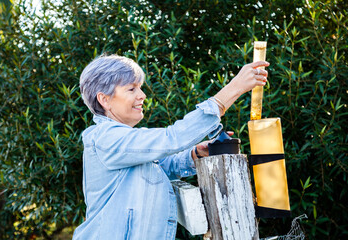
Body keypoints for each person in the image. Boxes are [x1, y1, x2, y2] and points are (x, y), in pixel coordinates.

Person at [73, 54, 269, 239]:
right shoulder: (105, 138)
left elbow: (158, 169)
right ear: (104, 99)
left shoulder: (124, 142)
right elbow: (172, 138)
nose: (142, 95)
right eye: (131, 89)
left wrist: (194, 155)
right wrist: (231, 91)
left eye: (140, 88)